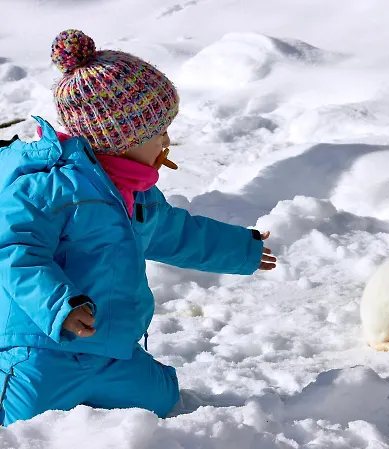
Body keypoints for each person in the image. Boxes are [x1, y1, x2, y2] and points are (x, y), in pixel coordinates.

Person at [0, 29, 276, 427]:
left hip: (110, 348)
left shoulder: (136, 193)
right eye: (158, 132)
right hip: (43, 347)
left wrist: (240, 248)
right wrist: (61, 307)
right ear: (121, 138)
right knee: (21, 419)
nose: (166, 141)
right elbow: (15, 253)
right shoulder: (46, 189)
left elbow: (175, 233)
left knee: (162, 398)